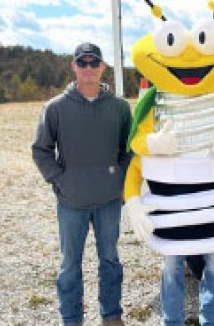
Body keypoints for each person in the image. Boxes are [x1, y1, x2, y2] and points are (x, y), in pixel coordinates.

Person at [32, 42, 132, 326]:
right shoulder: (55, 108)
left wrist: (119, 178)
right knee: (69, 266)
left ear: (102, 66)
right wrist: (60, 179)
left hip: (109, 200)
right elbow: (41, 150)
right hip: (71, 202)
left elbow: (129, 148)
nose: (88, 68)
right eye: (82, 63)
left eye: (94, 63)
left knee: (110, 261)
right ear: (73, 66)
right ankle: (71, 318)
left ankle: (112, 316)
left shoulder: (120, 107)